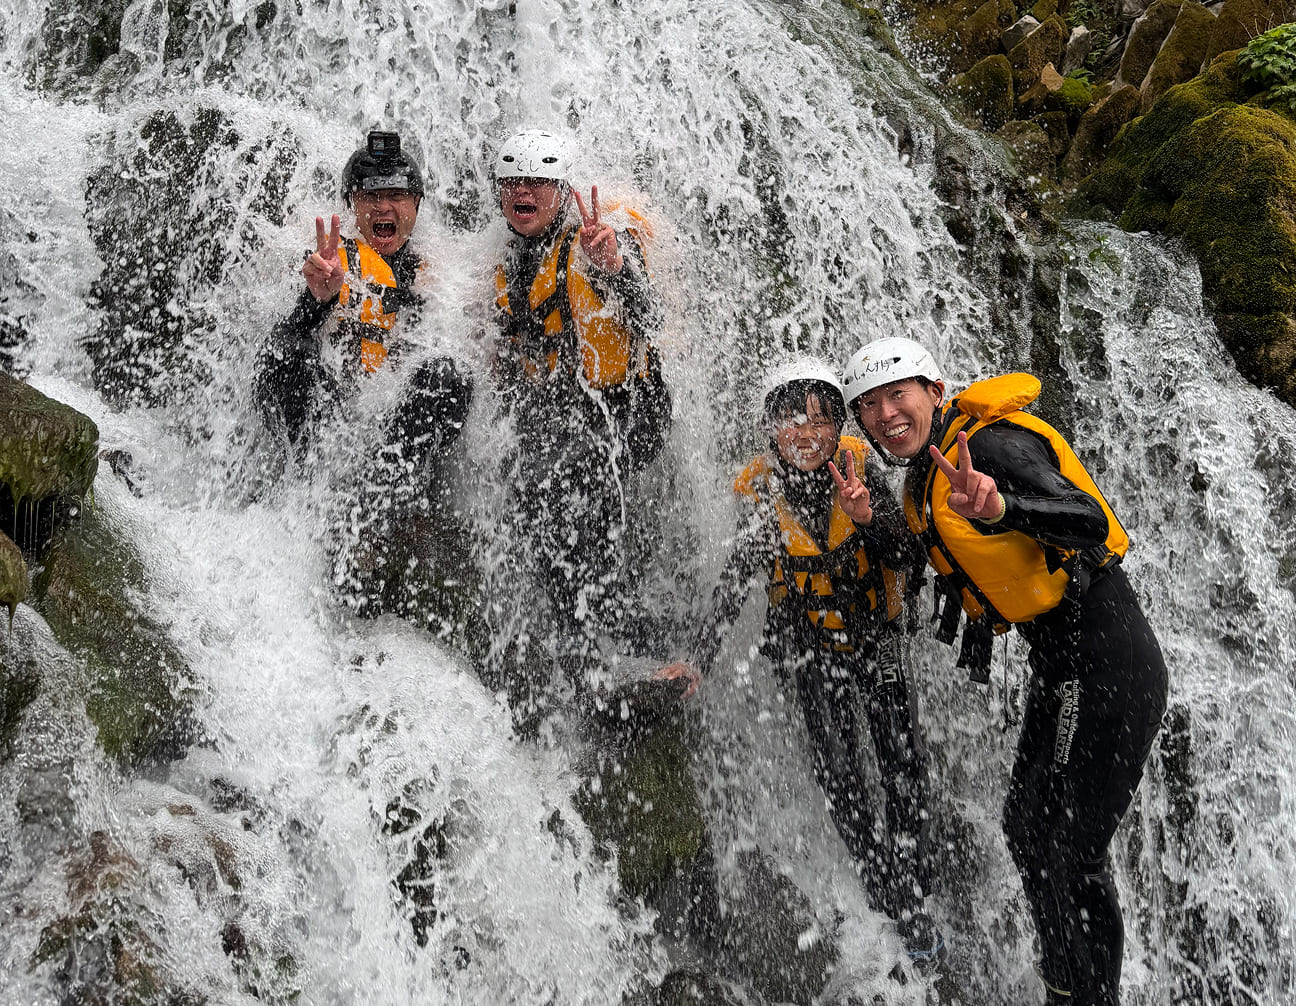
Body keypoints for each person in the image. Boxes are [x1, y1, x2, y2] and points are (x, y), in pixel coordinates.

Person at [840, 337, 1168, 1006]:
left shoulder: (987, 448)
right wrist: (872, 523)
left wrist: (999, 508)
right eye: (868, 406)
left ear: (935, 391)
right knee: (1026, 827)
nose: (885, 414)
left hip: (1106, 653)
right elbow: (924, 560)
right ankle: (1065, 988)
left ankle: (1090, 997)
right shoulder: (921, 483)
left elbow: (1084, 519)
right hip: (1062, 660)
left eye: (897, 394)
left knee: (1071, 848)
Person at [658, 357, 942, 966]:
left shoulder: (863, 471)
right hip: (812, 650)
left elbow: (910, 557)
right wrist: (698, 660)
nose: (807, 434)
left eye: (821, 420)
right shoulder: (763, 496)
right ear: (772, 430)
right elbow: (735, 581)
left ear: (841, 426)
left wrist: (868, 516)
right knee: (841, 778)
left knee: (902, 767)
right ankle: (883, 888)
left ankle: (915, 900)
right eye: (792, 421)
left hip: (877, 639)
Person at [487, 128, 672, 714]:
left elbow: (650, 316)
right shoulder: (511, 266)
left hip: (630, 407)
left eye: (538, 181)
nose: (524, 191)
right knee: (528, 489)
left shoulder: (598, 239)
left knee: (568, 481)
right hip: (566, 413)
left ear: (562, 190)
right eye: (514, 182)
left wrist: (615, 266)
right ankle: (589, 649)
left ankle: (621, 639)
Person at [253, 129, 472, 615]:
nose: (382, 208)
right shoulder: (325, 260)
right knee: (291, 356)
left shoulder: (443, 275)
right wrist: (315, 303)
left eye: (395, 195)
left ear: (416, 204)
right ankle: (314, 511)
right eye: (370, 195)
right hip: (323, 435)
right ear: (352, 203)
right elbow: (282, 351)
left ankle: (376, 513)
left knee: (451, 375)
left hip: (387, 448)